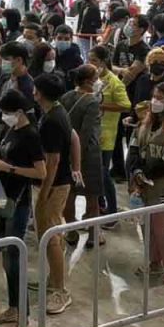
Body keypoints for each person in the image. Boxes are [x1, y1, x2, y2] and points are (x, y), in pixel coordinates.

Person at [0, 90, 46, 327]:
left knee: (15, 259)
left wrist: (9, 168)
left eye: (7, 112)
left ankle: (25, 319)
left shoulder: (31, 135)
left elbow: (40, 173)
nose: (4, 116)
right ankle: (13, 307)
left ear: (20, 112)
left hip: (17, 202)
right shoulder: (11, 130)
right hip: (1, 197)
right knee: (6, 257)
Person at [127, 82, 164, 287]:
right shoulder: (146, 123)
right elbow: (134, 148)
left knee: (162, 228)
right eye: (154, 96)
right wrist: (136, 171)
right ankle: (154, 262)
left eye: (160, 98)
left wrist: (146, 174)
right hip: (143, 183)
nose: (155, 101)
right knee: (147, 227)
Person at [32, 74, 74, 314]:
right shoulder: (55, 112)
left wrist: (44, 192)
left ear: (39, 93)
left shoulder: (52, 120)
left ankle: (60, 291)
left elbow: (53, 161)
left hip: (55, 185)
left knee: (51, 237)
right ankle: (52, 281)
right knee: (49, 236)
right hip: (56, 183)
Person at [61, 64, 104, 247]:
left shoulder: (66, 96)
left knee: (69, 195)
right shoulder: (92, 102)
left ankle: (71, 232)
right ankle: (94, 235)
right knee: (92, 196)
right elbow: (86, 133)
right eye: (96, 78)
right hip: (88, 155)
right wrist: (78, 156)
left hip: (66, 152)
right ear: (87, 82)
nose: (98, 81)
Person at [87, 46, 130, 220]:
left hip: (106, 135)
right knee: (93, 174)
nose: (91, 63)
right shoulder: (91, 79)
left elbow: (126, 105)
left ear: (104, 62)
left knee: (103, 174)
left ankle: (112, 212)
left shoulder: (114, 82)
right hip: (91, 132)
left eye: (95, 61)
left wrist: (101, 106)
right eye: (89, 60)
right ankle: (100, 206)